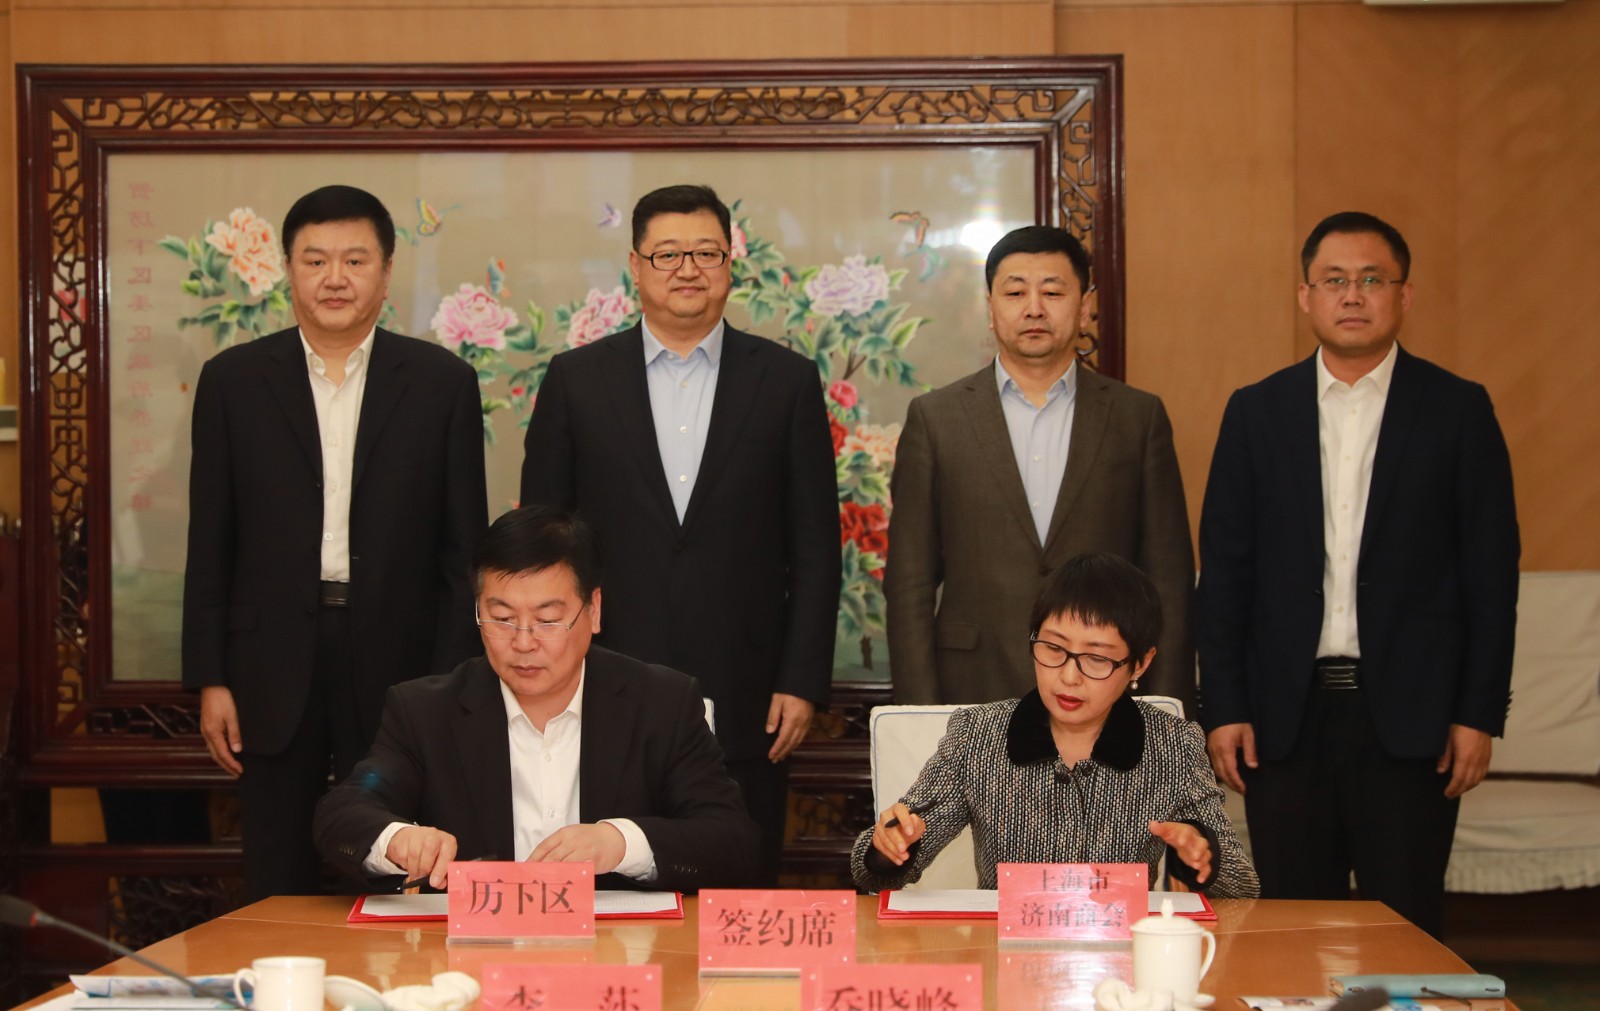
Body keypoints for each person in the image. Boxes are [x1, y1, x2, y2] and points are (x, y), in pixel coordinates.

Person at [1197, 211, 1519, 937]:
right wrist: (1223, 706)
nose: (1352, 295)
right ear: (1304, 296)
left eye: (1372, 279)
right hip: (1283, 719)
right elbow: (1224, 576)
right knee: (1290, 930)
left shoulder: (1457, 410)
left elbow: (1492, 578)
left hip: (1412, 720)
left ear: (1404, 296)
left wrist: (1478, 713)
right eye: (1334, 280)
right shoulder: (1256, 412)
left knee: (1405, 928)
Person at [519, 184, 839, 882]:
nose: (687, 268)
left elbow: (816, 548)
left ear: (730, 264)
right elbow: (543, 548)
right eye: (667, 254)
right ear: (635, 267)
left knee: (739, 888)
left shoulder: (786, 381)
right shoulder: (576, 380)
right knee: (610, 887)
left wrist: (801, 680)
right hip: (605, 684)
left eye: (706, 253)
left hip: (750, 690)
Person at [183, 185, 487, 899]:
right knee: (275, 863)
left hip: (399, 655)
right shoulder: (233, 382)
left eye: (355, 260)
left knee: (395, 855)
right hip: (268, 657)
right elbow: (211, 538)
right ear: (288, 270)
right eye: (315, 260)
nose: (335, 278)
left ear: (386, 272)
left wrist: (454, 677)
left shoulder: (442, 383)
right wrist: (211, 676)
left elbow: (463, 551)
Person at [312, 505, 762, 892]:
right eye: (502, 618)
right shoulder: (424, 712)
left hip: (619, 952)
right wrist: (395, 839)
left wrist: (621, 843)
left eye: (547, 620)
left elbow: (730, 839)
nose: (523, 642)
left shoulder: (662, 704)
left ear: (594, 610)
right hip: (474, 953)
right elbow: (346, 810)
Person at [886, 225, 1195, 711]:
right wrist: (918, 713)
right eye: (1015, 293)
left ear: (1085, 306)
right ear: (991, 308)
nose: (1034, 308)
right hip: (971, 691)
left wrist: (1167, 714)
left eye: (1052, 292)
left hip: (1104, 692)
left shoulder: (1137, 418)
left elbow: (1168, 581)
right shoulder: (936, 419)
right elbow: (909, 583)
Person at [853, 553, 1257, 898]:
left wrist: (1203, 857)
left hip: (1121, 956)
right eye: (1053, 648)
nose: (1068, 677)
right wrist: (889, 847)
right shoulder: (978, 735)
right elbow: (872, 873)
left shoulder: (1173, 744)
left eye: (1097, 658)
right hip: (1005, 953)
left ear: (1140, 663)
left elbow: (1243, 887)